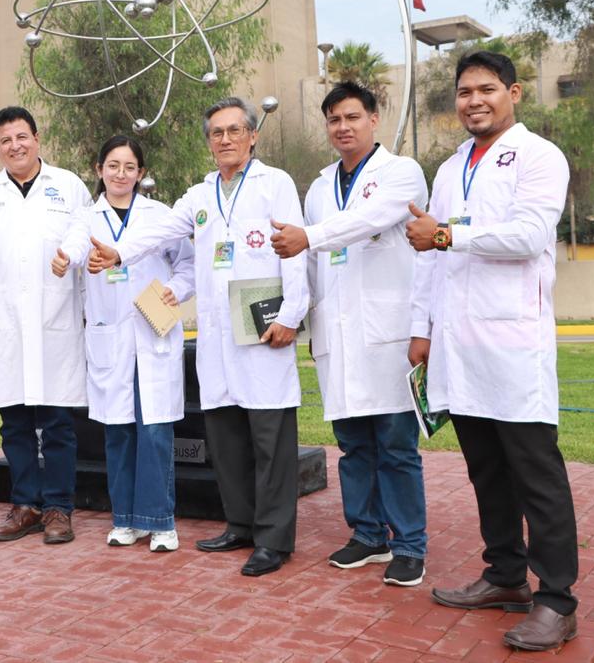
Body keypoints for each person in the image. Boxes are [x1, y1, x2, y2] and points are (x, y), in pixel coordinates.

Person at [89, 97, 309, 577]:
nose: (226, 140)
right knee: (226, 434)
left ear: (252, 136)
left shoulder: (276, 184)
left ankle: (273, 538)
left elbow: (294, 249)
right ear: (208, 140)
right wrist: (119, 253)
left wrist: (293, 313)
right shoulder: (199, 194)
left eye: (235, 131)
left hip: (263, 319)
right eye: (217, 133)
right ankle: (241, 523)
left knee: (269, 435)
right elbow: (161, 231)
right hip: (216, 328)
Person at [406, 51, 577, 652]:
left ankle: (557, 600)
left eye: (486, 90)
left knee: (537, 475)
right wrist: (422, 329)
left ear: (515, 92)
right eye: (464, 92)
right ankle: (505, 575)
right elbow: (430, 257)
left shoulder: (538, 156)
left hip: (512, 342)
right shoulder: (451, 166)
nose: (474, 101)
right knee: (487, 472)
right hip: (460, 345)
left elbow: (530, 236)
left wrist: (448, 234)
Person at [269, 82, 429, 586]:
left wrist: (309, 237)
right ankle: (367, 534)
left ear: (374, 119)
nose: (344, 127)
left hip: (387, 335)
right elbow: (310, 267)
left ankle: (409, 544)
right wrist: (298, 317)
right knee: (353, 445)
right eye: (335, 119)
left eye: (353, 117)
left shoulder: (401, 173)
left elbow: (369, 220)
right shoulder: (318, 188)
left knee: (396, 446)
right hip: (336, 336)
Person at [0, 106, 92, 545]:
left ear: (37, 138)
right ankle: (26, 505)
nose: (15, 146)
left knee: (57, 423)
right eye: (5, 140)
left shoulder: (67, 185)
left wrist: (69, 254)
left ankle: (58, 508)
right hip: (7, 323)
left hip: (54, 319)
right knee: (13, 422)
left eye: (22, 137)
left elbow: (83, 230)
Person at [81, 136, 194, 554]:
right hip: (111, 339)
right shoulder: (86, 219)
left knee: (156, 433)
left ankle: (161, 522)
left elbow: (188, 265)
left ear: (141, 174)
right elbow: (74, 255)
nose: (121, 174)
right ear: (99, 170)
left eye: (130, 167)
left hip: (153, 332)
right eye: (113, 165)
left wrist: (173, 291)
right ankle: (124, 520)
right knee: (118, 434)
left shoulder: (160, 216)